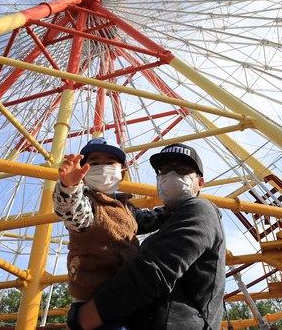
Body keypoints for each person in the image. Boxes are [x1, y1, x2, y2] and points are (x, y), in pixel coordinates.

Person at [68, 143, 226, 330]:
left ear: (200, 183)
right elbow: (71, 209)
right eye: (165, 170)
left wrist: (84, 318)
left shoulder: (200, 209)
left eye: (182, 170)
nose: (172, 175)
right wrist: (69, 188)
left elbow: (153, 273)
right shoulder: (167, 219)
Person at [53, 137, 168, 306]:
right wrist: (68, 187)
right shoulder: (87, 203)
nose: (103, 167)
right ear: (84, 172)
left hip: (127, 290)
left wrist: (172, 210)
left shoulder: (125, 207)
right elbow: (71, 211)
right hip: (94, 298)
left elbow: (149, 220)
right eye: (94, 162)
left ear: (122, 172)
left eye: (110, 162)